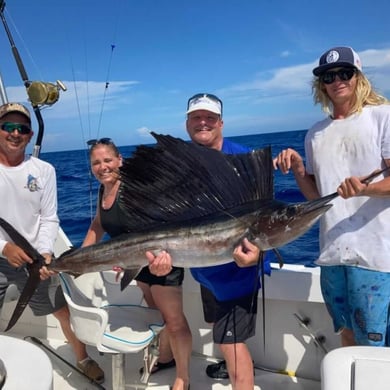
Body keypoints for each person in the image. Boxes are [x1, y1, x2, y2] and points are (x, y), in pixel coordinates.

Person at [148, 93, 271, 390]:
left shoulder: (244, 160)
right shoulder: (183, 165)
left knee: (231, 344)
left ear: (221, 122)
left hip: (239, 273)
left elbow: (267, 221)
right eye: (196, 118)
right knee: (220, 331)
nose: (203, 123)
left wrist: (257, 257)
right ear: (187, 123)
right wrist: (161, 261)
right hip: (204, 268)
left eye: (210, 118)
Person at [273, 46, 390, 347]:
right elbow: (318, 198)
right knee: (346, 335)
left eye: (345, 73)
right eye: (328, 76)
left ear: (358, 77)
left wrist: (366, 189)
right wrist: (299, 169)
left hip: (375, 259)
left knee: (374, 347)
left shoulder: (382, 116)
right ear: (321, 84)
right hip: (332, 255)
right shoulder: (315, 133)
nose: (337, 80)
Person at [0, 102, 104, 383]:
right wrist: (4, 247)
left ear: (30, 135)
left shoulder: (44, 170)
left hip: (36, 258)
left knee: (60, 309)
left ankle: (82, 357)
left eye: (21, 128)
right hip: (1, 254)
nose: (14, 133)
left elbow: (49, 218)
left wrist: (45, 251)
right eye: (7, 127)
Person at [82, 138, 192, 390]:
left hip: (162, 261)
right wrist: (79, 257)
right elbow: (99, 225)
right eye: (96, 163)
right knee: (157, 315)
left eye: (108, 160)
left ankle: (183, 378)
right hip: (135, 264)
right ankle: (165, 358)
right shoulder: (103, 190)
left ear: (120, 160)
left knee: (174, 321)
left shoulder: (133, 188)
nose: (103, 167)